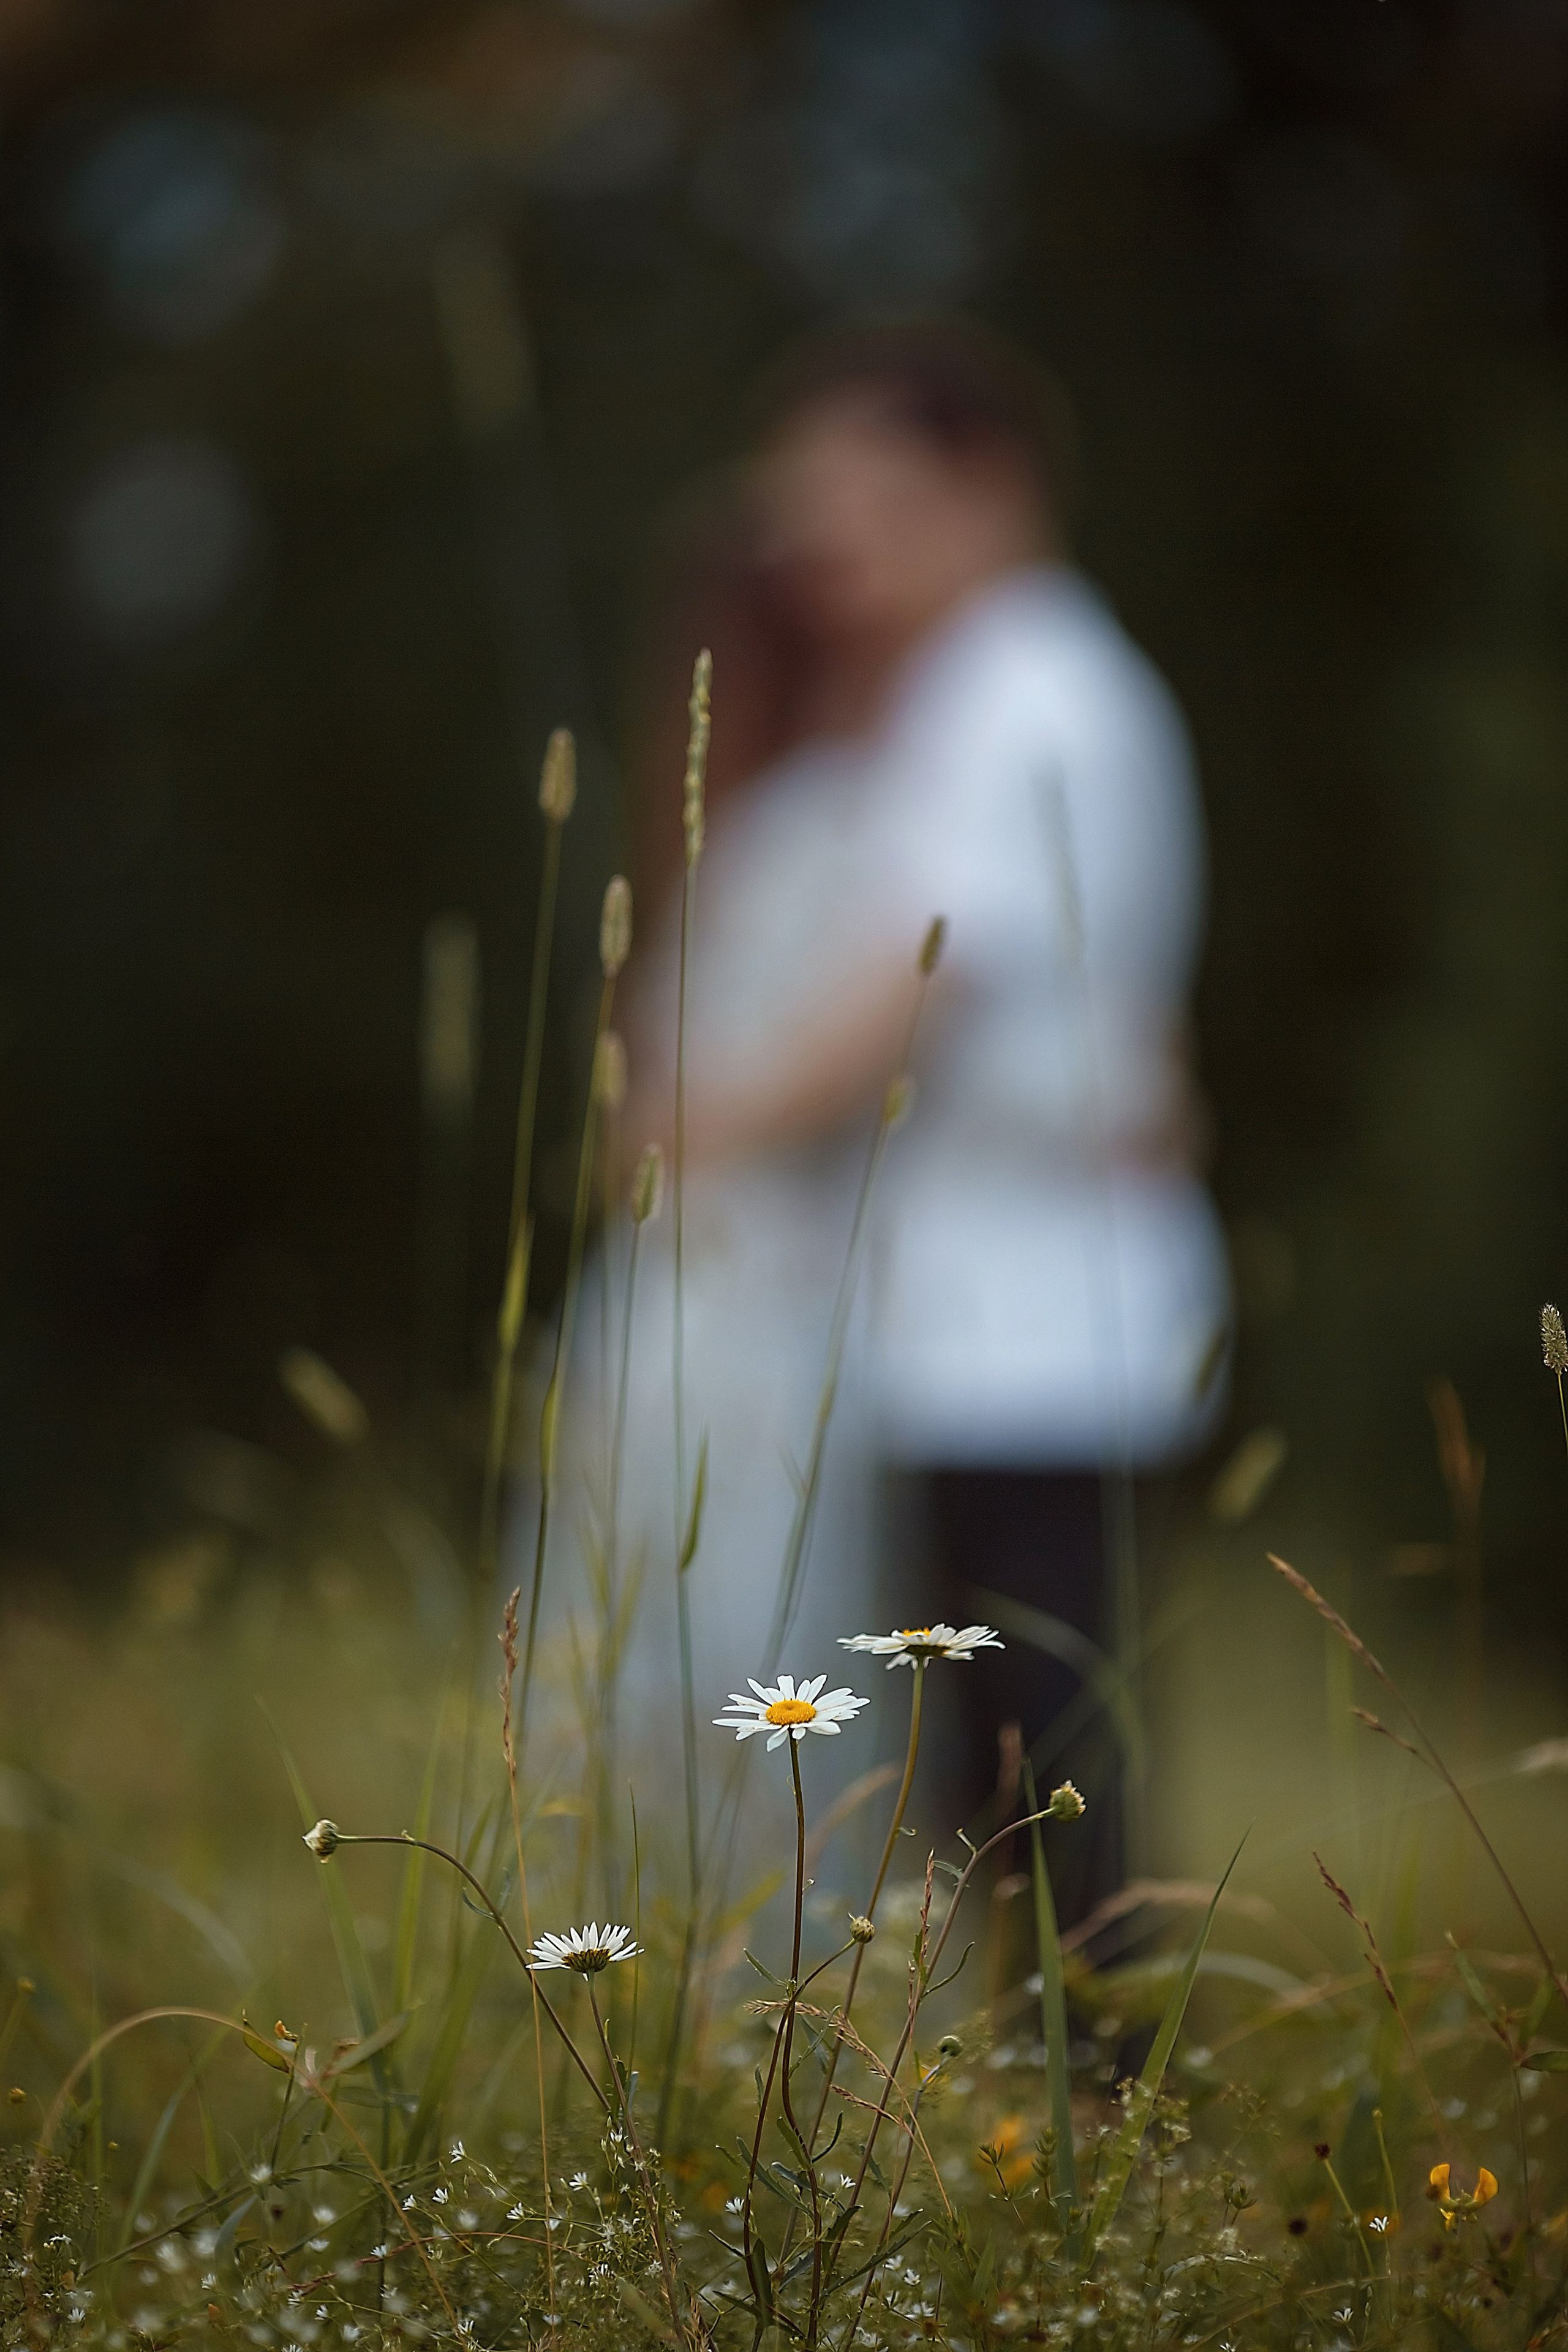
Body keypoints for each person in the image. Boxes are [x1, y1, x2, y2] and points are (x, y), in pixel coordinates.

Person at [600, 320, 1229, 1904]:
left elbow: (919, 977)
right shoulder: (1009, 691)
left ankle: (1089, 2092)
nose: (822, 544)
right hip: (975, 1306)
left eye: (857, 499)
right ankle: (1051, 2085)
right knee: (997, 1750)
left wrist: (699, 1127)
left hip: (1030, 1322)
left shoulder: (1027, 694)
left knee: (1044, 1751)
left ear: (985, 483)